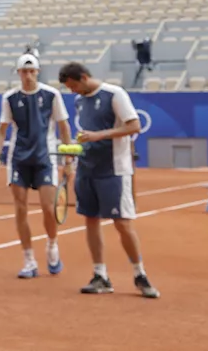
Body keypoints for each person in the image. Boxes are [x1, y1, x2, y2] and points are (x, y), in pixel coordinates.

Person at [57, 62, 160, 299]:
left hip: (114, 169)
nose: (72, 91)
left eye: (73, 86)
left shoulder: (115, 94)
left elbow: (134, 125)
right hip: (87, 170)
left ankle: (139, 274)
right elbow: (85, 135)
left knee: (123, 224)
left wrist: (98, 136)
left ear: (83, 77)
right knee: (90, 220)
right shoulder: (79, 101)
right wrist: (73, 152)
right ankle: (100, 275)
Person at [0, 53, 73, 279]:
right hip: (18, 159)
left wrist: (68, 159)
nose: (28, 75)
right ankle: (29, 260)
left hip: (45, 159)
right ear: (18, 73)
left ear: (37, 72)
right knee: (21, 209)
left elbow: (64, 128)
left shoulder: (51, 95)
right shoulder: (9, 98)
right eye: (23, 71)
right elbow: (2, 130)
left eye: (31, 71)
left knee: (49, 208)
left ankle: (52, 245)